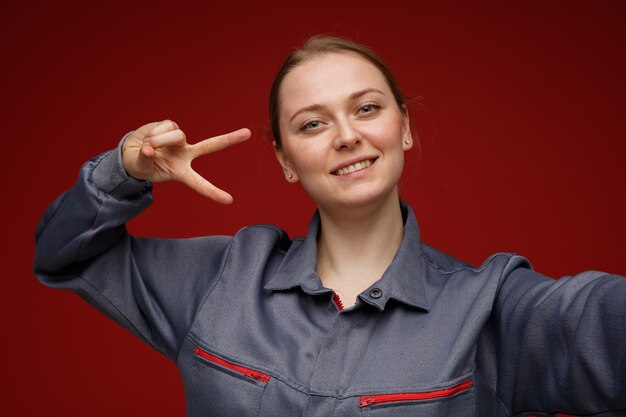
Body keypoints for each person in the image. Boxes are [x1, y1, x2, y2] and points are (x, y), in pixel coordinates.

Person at [33, 36, 625, 417]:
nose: (346, 135)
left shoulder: (493, 310)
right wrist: (121, 170)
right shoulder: (222, 278)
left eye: (367, 108)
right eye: (312, 124)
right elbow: (65, 254)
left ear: (405, 128)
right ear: (286, 162)